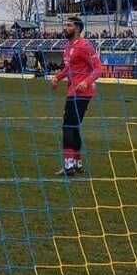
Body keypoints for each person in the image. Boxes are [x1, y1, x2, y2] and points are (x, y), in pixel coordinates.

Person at [49, 16, 103, 176]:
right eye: (66, 25)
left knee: (67, 126)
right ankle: (77, 163)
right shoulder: (67, 46)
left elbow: (98, 68)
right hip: (72, 90)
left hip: (82, 92)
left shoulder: (84, 46)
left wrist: (86, 82)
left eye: (69, 25)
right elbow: (69, 69)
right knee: (74, 126)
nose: (66, 28)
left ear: (78, 29)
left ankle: (68, 165)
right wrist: (57, 78)